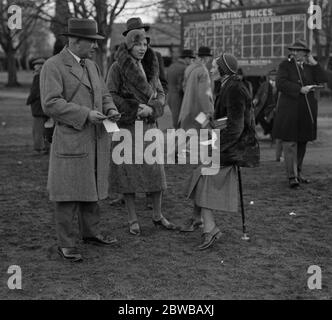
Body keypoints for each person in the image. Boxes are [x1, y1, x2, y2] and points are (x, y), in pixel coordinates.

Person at [40, 18, 121, 262]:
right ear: (75, 41)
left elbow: (104, 94)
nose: (96, 45)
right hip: (71, 138)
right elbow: (51, 103)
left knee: (91, 187)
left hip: (94, 138)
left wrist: (111, 109)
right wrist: (85, 114)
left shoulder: (92, 66)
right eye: (91, 41)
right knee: (68, 192)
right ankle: (66, 243)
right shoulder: (53, 66)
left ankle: (91, 233)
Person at [183, 53, 259, 250]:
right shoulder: (226, 85)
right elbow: (225, 119)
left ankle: (208, 227)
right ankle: (205, 225)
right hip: (225, 145)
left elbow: (236, 127)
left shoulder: (235, 89)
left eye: (215, 67)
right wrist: (211, 120)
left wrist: (216, 148)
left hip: (233, 148)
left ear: (224, 70)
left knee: (202, 176)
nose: (212, 69)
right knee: (200, 176)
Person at [106, 29, 176, 236]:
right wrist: (134, 107)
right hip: (127, 127)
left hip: (149, 127)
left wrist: (153, 108)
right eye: (138, 45)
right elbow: (110, 95)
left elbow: (161, 92)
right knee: (128, 175)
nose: (142, 49)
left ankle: (157, 215)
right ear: (129, 46)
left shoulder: (150, 66)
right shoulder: (117, 68)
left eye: (145, 45)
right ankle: (132, 219)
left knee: (155, 173)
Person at [272, 40, 327, 188]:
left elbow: (323, 79)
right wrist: (299, 89)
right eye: (293, 50)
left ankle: (298, 173)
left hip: (305, 111)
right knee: (289, 143)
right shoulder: (285, 65)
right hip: (289, 112)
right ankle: (292, 176)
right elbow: (280, 83)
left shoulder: (310, 68)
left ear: (305, 53)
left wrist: (314, 63)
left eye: (298, 50)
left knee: (302, 142)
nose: (295, 53)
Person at [178, 46, 214, 132]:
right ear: (206, 58)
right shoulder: (203, 71)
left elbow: (184, 87)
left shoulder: (189, 68)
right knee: (206, 134)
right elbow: (204, 93)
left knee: (188, 135)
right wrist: (208, 111)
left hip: (187, 109)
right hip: (199, 110)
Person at [26, 57, 50, 155]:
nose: (35, 68)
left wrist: (29, 100)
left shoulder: (38, 76)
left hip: (38, 107)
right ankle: (46, 147)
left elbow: (35, 92)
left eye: (36, 67)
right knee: (46, 129)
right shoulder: (47, 76)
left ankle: (38, 148)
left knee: (38, 130)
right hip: (45, 106)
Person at [167, 49, 195, 129]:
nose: (192, 61)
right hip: (179, 98)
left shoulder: (171, 66)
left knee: (175, 120)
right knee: (181, 122)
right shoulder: (185, 68)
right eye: (191, 59)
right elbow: (182, 86)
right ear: (187, 58)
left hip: (170, 97)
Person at [253, 69, 278, 137]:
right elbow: (258, 94)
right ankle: (268, 130)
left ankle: (271, 132)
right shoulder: (264, 84)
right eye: (272, 75)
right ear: (269, 76)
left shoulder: (279, 84)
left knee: (273, 118)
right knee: (259, 116)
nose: (273, 76)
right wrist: (256, 99)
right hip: (264, 106)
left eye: (275, 75)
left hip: (274, 106)